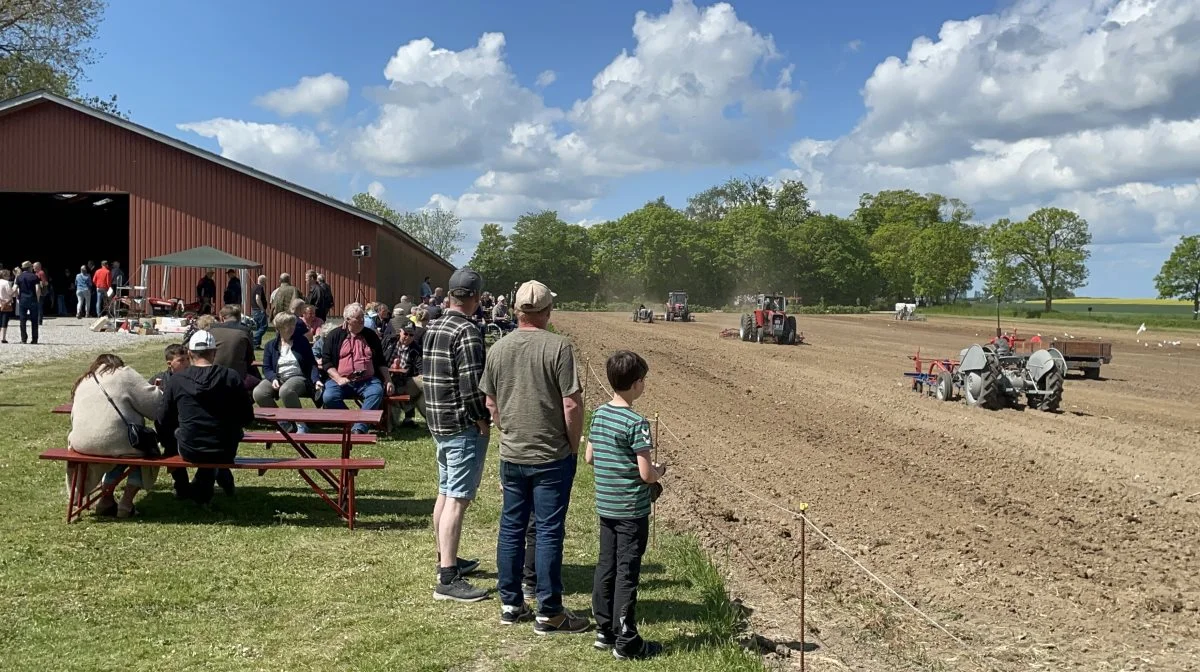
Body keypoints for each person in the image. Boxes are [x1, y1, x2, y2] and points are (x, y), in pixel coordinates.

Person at [479, 279, 588, 632]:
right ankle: (550, 610)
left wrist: (506, 428)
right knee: (547, 531)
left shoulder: (498, 348)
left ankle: (511, 604)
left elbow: (490, 401)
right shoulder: (559, 348)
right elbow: (571, 403)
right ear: (546, 311)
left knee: (511, 528)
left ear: (516, 310)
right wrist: (572, 445)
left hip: (512, 454)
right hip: (550, 455)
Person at [585, 350, 666, 659]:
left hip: (606, 505)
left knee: (606, 564)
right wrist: (658, 471)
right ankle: (626, 639)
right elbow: (645, 473)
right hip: (631, 509)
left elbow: (590, 457)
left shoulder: (600, 414)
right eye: (643, 380)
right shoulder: (637, 423)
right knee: (627, 571)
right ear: (636, 384)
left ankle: (604, 630)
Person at [422, 268, 490, 602]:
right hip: (461, 423)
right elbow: (472, 385)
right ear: (476, 298)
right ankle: (448, 578)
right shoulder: (468, 331)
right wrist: (482, 419)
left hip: (437, 420)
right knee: (457, 499)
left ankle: (443, 557)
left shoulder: (433, 325)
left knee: (445, 491)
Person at [157, 330, 255, 504]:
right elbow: (247, 416)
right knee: (216, 441)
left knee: (174, 436)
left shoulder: (176, 380)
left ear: (190, 353)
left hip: (190, 448)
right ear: (214, 352)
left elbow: (163, 418)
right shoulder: (231, 377)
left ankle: (188, 486)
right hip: (225, 449)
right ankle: (209, 482)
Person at [67, 354, 163, 518]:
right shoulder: (124, 374)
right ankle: (126, 503)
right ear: (118, 364)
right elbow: (156, 406)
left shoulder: (85, 380)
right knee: (143, 448)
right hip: (116, 443)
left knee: (117, 448)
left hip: (81, 444)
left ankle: (106, 499)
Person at [319, 303, 392, 434]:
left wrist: (388, 380)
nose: (362, 321)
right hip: (341, 380)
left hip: (367, 380)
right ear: (347, 320)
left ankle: (359, 428)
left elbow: (381, 361)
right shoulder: (334, 336)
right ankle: (353, 421)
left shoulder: (370, 335)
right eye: (358, 319)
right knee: (329, 397)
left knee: (376, 392)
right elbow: (327, 362)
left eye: (362, 317)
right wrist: (338, 378)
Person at [253, 312, 319, 433]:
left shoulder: (302, 342)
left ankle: (300, 424)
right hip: (278, 377)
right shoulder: (270, 345)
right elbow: (266, 368)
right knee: (259, 392)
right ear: (278, 328)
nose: (291, 328)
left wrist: (316, 380)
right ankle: (283, 422)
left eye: (292, 325)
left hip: (298, 377)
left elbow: (312, 364)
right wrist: (273, 379)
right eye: (286, 326)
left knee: (286, 390)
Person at [150, 344, 194, 497]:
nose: (187, 363)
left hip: (188, 424)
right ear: (170, 364)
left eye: (188, 359)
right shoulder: (160, 379)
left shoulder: (194, 377)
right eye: (181, 360)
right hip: (167, 427)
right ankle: (181, 485)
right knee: (171, 450)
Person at [384, 323, 426, 427]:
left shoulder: (416, 349)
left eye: (411, 335)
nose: (407, 337)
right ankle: (408, 418)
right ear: (400, 332)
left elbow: (421, 369)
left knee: (425, 382)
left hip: (405, 382)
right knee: (391, 424)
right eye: (405, 333)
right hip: (386, 380)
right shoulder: (389, 342)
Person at [209, 304, 257, 388]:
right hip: (237, 375)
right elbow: (250, 357)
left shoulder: (211, 330)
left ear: (222, 317)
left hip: (212, 373)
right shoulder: (246, 331)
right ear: (239, 317)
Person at [15, 262, 40, 344]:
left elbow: (15, 288)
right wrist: (38, 298)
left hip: (23, 300)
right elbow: (37, 289)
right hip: (33, 299)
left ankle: (23, 339)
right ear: (30, 267)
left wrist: (17, 296)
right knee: (34, 320)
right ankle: (34, 339)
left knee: (22, 320)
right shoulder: (34, 276)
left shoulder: (19, 277)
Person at [251, 275, 269, 349]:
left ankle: (256, 345)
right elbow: (257, 298)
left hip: (254, 310)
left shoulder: (254, 287)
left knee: (259, 327)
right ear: (263, 281)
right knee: (264, 327)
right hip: (259, 310)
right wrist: (262, 309)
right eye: (265, 281)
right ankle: (254, 339)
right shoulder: (259, 287)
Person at [0, 269, 15, 343]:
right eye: (8, 275)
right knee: (4, 322)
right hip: (6, 304)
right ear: (5, 276)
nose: (9, 277)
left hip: (0, 303)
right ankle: (3, 338)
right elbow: (10, 293)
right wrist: (15, 288)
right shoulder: (6, 283)